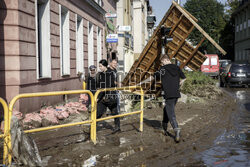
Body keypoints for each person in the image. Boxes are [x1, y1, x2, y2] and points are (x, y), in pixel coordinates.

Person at [154, 54, 186, 142]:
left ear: (164, 60)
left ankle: (176, 130)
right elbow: (184, 78)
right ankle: (164, 128)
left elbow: (155, 76)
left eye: (162, 62)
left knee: (171, 113)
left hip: (168, 94)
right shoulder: (176, 67)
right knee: (167, 110)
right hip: (176, 94)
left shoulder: (162, 69)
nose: (161, 64)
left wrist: (156, 73)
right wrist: (180, 83)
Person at [97, 59, 121, 133]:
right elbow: (100, 85)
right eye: (99, 66)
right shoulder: (101, 74)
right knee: (97, 114)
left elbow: (106, 86)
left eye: (101, 66)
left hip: (110, 97)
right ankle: (92, 130)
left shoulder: (110, 73)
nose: (100, 68)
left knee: (115, 113)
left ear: (105, 66)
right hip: (105, 98)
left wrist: (98, 97)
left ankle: (117, 128)